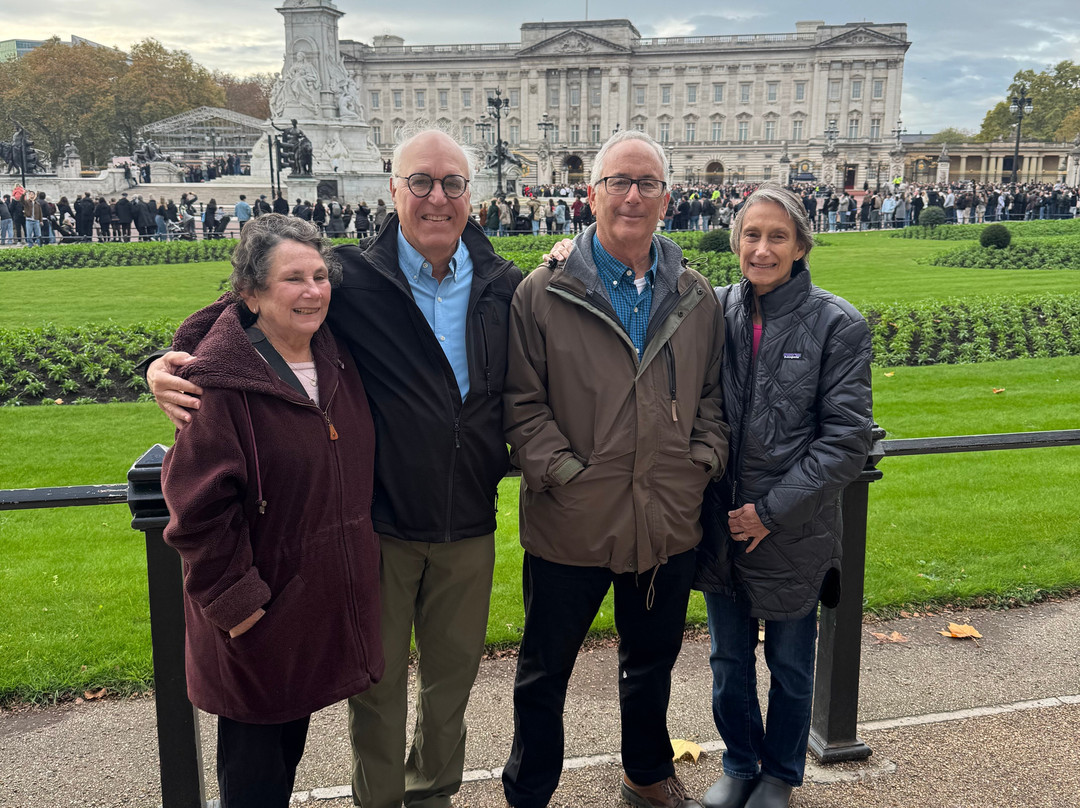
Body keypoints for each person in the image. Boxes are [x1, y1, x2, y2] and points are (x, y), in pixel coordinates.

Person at [146, 128, 522, 808]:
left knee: (449, 692)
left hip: (468, 518)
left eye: (453, 184)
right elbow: (247, 307)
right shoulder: (354, 277)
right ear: (393, 190)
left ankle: (431, 799)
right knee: (374, 692)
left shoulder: (505, 283)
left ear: (473, 195)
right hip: (378, 525)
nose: (438, 197)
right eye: (421, 182)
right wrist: (175, 355)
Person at [501, 129, 729, 808]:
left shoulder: (696, 294)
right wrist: (564, 475)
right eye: (619, 183)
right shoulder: (540, 291)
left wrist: (700, 462)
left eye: (648, 184)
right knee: (545, 674)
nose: (633, 196)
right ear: (591, 194)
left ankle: (645, 772)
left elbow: (713, 397)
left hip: (664, 513)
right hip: (572, 518)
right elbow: (521, 402)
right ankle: (529, 791)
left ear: (668, 198)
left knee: (651, 665)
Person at [160, 214, 383, 808]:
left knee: (284, 761)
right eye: (293, 279)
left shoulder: (335, 355)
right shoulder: (218, 383)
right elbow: (196, 510)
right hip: (257, 616)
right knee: (255, 781)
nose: (313, 291)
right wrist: (240, 611)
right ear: (252, 294)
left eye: (319, 275)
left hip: (307, 609)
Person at [694, 183, 873, 808]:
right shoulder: (715, 309)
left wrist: (769, 513)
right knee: (728, 664)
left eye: (777, 236)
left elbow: (845, 440)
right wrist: (563, 255)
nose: (762, 248)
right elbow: (644, 287)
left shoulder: (837, 324)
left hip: (793, 528)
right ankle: (741, 764)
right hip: (722, 524)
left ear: (801, 246)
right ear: (736, 241)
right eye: (751, 234)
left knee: (792, 668)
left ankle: (781, 773)